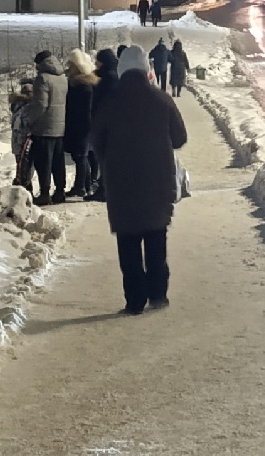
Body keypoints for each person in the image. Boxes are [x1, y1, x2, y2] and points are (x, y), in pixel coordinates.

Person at [88, 44, 186, 313]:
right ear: (147, 69)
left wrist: (111, 160)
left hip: (121, 185)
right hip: (158, 182)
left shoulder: (110, 102)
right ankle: (158, 295)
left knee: (128, 245)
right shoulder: (162, 100)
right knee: (156, 238)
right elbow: (180, 138)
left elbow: (97, 141)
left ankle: (134, 301)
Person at [23, 50, 67, 202]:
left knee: (43, 162)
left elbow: (40, 105)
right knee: (58, 161)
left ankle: (44, 193)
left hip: (44, 128)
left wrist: (30, 121)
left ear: (40, 63)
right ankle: (60, 191)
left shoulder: (42, 79)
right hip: (60, 126)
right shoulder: (62, 77)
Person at [63, 49, 99, 200]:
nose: (68, 67)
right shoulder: (83, 84)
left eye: (71, 65)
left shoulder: (82, 86)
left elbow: (84, 110)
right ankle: (84, 184)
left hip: (81, 126)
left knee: (80, 156)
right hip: (81, 126)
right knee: (81, 156)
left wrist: (83, 127)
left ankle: (82, 186)